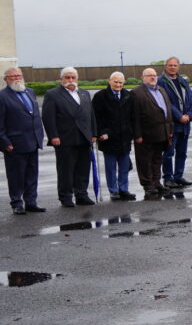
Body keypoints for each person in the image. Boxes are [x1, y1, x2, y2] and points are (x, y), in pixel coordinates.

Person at [41, 67, 97, 207]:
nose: (70, 80)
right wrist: (53, 136)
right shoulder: (53, 95)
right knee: (66, 169)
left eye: (73, 77)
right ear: (61, 79)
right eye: (67, 77)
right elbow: (48, 117)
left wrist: (94, 133)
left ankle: (81, 194)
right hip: (65, 138)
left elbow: (91, 115)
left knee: (83, 168)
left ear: (77, 79)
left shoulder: (84, 94)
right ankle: (66, 196)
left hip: (84, 137)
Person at [0, 67, 46, 214]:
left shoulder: (30, 92)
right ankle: (17, 203)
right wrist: (5, 143)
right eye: (12, 76)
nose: (17, 78)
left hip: (33, 141)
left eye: (19, 75)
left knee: (32, 174)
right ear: (5, 79)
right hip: (14, 144)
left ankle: (31, 202)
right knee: (16, 176)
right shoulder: (2, 96)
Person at [92, 71, 136, 201]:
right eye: (115, 81)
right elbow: (96, 117)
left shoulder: (128, 95)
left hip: (125, 137)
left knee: (124, 166)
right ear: (109, 81)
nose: (118, 84)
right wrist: (100, 132)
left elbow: (132, 116)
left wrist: (132, 132)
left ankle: (123, 189)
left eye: (120, 82)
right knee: (111, 167)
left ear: (124, 83)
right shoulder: (100, 96)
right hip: (108, 137)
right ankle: (113, 190)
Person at [132, 68, 174, 198]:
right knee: (145, 161)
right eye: (149, 75)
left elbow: (168, 111)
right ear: (143, 77)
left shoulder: (161, 90)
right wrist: (137, 135)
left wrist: (170, 130)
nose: (152, 77)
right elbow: (134, 117)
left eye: (154, 75)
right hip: (145, 135)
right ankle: (148, 185)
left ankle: (156, 182)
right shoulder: (136, 93)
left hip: (162, 133)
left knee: (157, 159)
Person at [158, 57, 192, 188]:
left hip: (185, 124)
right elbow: (166, 102)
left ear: (178, 66)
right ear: (165, 66)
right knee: (169, 153)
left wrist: (190, 115)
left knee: (182, 153)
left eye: (175, 65)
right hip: (172, 125)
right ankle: (168, 178)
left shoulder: (183, 81)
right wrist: (179, 116)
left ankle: (178, 176)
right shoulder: (161, 81)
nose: (173, 67)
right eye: (170, 65)